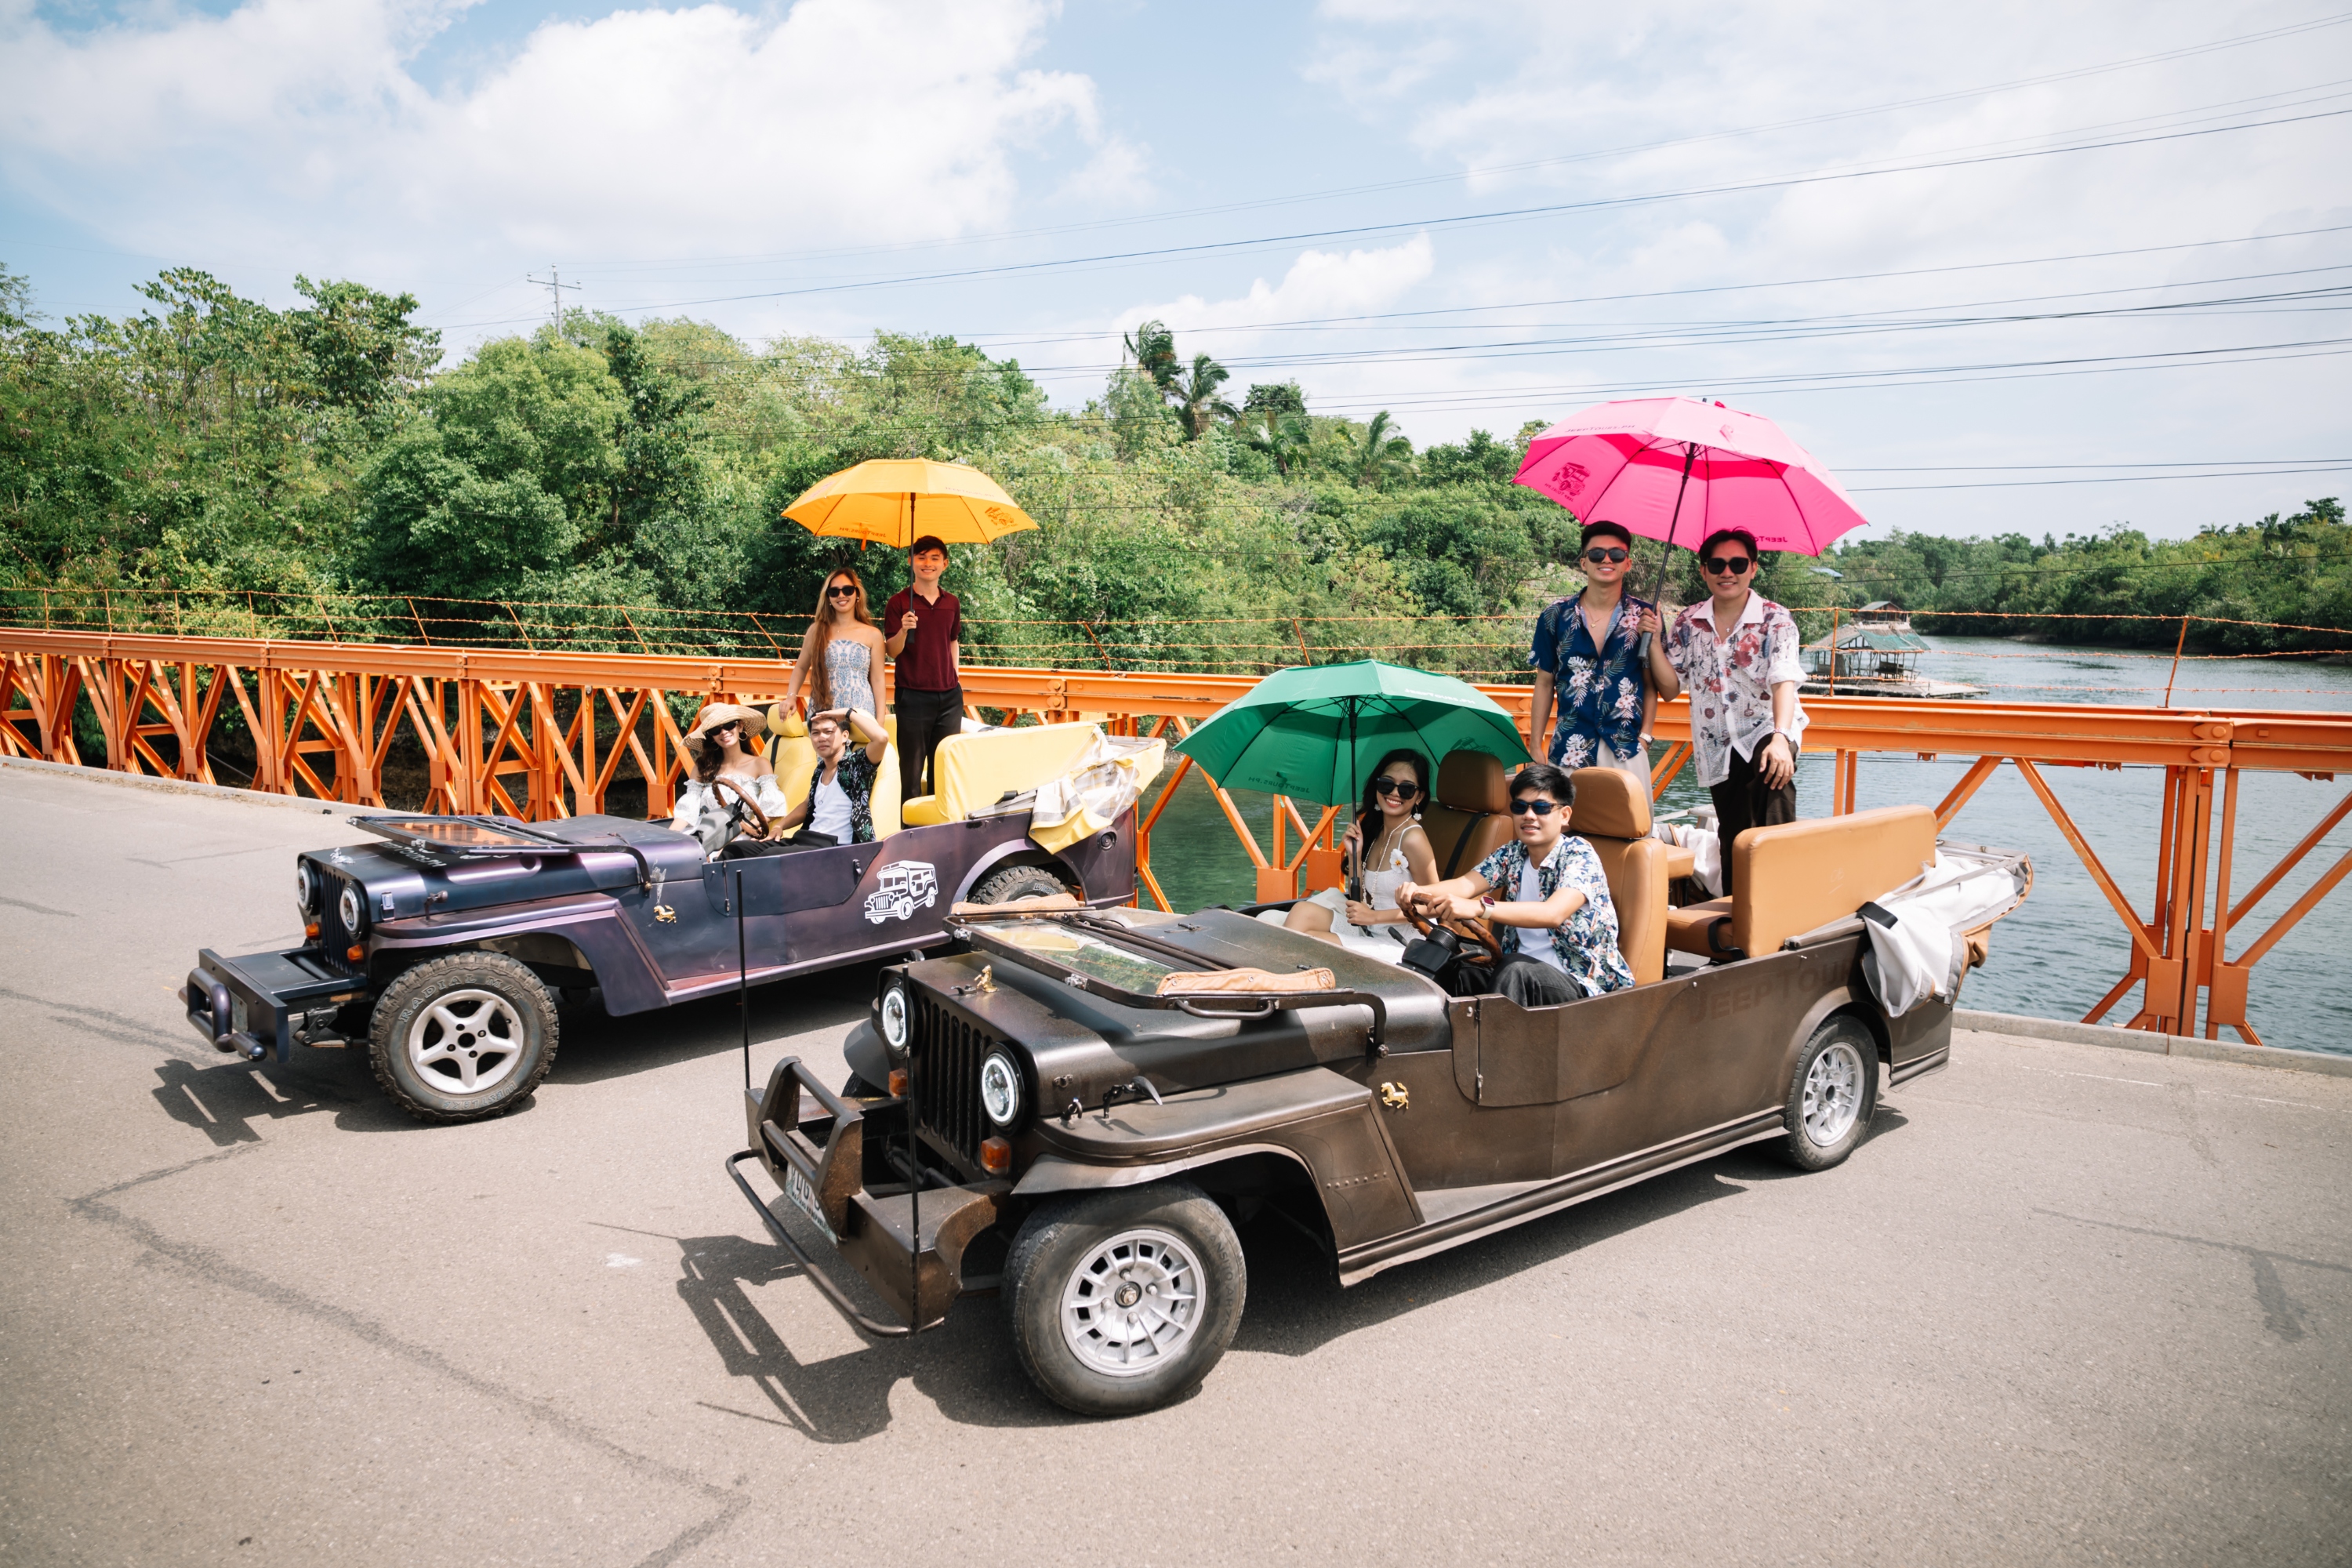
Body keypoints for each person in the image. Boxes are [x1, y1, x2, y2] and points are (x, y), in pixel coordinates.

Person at [1396, 761, 1635, 1007]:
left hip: (1581, 987)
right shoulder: (1514, 853)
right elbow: (1465, 885)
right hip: (1519, 971)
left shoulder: (1579, 855)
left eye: (1541, 808)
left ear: (1564, 815)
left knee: (1514, 969)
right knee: (1445, 955)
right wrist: (1419, 890)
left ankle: (1488, 1044)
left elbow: (1554, 913)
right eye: (1520, 807)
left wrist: (1480, 908)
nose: (1529, 815)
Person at [1650, 526, 1806, 897]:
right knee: (1733, 834)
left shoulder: (1775, 620)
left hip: (1768, 729)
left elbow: (1784, 679)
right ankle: (1739, 920)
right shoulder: (1688, 622)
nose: (1727, 572)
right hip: (1717, 745)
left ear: (1753, 568)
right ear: (1703, 570)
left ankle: (1780, 909)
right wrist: (1655, 640)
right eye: (1717, 564)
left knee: (1772, 805)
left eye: (1737, 563)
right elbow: (1671, 688)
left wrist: (1782, 739)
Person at [1528, 520, 1664, 788]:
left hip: (1626, 747)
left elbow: (1652, 686)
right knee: (1564, 827)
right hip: (1570, 746)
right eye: (1596, 553)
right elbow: (1544, 683)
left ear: (1628, 563)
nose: (1606, 559)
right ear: (1583, 562)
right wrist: (1535, 745)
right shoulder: (1555, 615)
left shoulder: (1646, 616)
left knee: (1631, 830)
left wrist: (1645, 738)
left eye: (1616, 554)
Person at [1283, 750, 1440, 952]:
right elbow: (1361, 901)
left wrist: (1374, 917)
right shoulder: (1376, 831)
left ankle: (1276, 980)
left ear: (1419, 797)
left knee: (1307, 941)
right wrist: (1355, 856)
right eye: (1387, 784)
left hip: (1404, 944)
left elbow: (1434, 906)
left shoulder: (1413, 839)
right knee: (1301, 912)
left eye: (1406, 789)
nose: (1394, 793)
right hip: (1371, 929)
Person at [884, 535, 962, 804]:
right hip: (913, 695)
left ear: (945, 564)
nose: (927, 563)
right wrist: (904, 630)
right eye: (921, 557)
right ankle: (909, 831)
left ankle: (940, 830)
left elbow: (953, 640)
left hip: (950, 696)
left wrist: (955, 677)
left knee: (945, 766)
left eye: (934, 558)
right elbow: (891, 651)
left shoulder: (952, 602)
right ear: (910, 562)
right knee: (912, 770)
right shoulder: (898, 603)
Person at [759, 707, 891, 851]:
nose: (821, 738)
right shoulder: (820, 769)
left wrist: (847, 713)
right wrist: (780, 825)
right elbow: (807, 804)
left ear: (845, 736)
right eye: (815, 733)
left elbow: (882, 738)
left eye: (829, 732)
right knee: (738, 850)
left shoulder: (856, 764)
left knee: (771, 855)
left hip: (836, 848)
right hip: (808, 840)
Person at [671, 703, 790, 858]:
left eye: (728, 725)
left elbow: (772, 809)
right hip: (706, 831)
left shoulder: (759, 764)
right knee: (680, 854)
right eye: (716, 730)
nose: (724, 732)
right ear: (711, 737)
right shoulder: (703, 767)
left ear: (740, 726)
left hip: (741, 834)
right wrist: (668, 838)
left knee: (724, 855)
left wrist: (739, 830)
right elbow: (687, 811)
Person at [782, 568, 884, 724]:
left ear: (857, 594)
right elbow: (801, 667)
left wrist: (880, 721)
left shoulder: (873, 634)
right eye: (834, 592)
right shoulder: (816, 630)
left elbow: (878, 680)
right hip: (824, 712)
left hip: (861, 713)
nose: (841, 595)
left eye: (848, 590)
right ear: (828, 597)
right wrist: (791, 697)